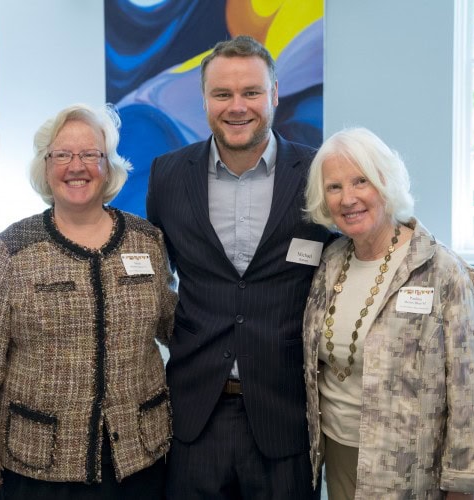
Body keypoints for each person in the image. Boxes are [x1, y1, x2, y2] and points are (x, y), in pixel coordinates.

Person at [0, 103, 177, 500]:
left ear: (109, 166)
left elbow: (175, 325)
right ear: (45, 165)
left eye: (91, 154)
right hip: (40, 471)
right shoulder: (10, 252)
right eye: (63, 155)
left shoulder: (147, 241)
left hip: (139, 463)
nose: (77, 166)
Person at [146, 35, 332, 499]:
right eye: (222, 94)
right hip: (194, 412)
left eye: (250, 92)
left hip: (285, 414)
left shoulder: (318, 174)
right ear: (205, 99)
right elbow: (155, 276)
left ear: (273, 94)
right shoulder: (167, 175)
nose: (237, 106)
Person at [301, 127, 474, 499]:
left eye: (360, 181)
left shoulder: (442, 271)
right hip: (338, 450)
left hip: (412, 465)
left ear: (385, 183)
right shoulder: (330, 263)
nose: (348, 198)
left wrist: (464, 484)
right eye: (334, 187)